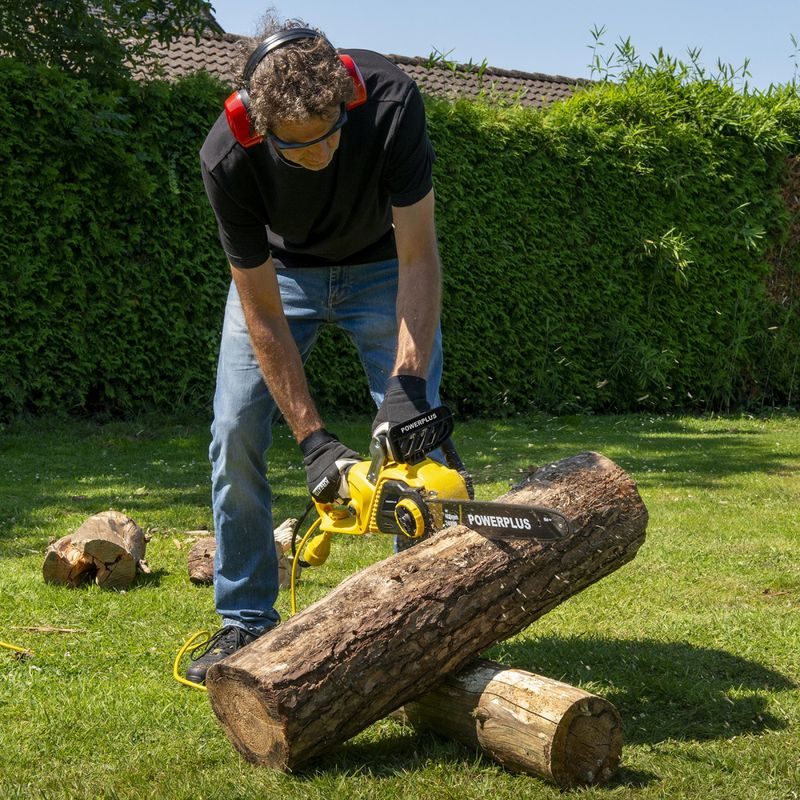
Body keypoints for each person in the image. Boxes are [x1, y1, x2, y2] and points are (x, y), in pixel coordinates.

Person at [186, 18, 445, 683]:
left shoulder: (388, 100)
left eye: (330, 135)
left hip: (385, 268)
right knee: (235, 428)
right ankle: (245, 617)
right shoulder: (228, 154)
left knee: (421, 443)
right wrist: (314, 442)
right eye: (298, 149)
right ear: (258, 127)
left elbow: (419, 257)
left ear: (346, 97)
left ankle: (433, 620)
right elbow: (261, 310)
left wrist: (406, 386)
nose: (321, 155)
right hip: (283, 279)